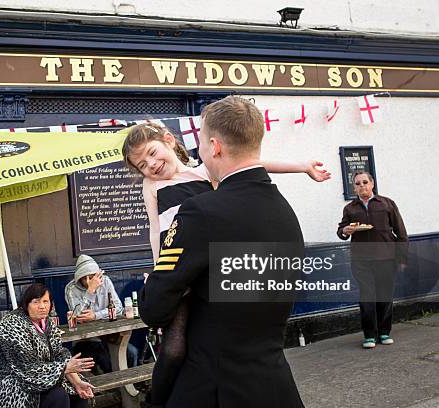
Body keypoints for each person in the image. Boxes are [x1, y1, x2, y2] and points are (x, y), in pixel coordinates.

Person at [122, 121, 329, 406]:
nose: (151, 165)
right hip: (177, 269)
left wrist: (303, 166)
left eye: (153, 153)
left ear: (169, 140)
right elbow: (154, 227)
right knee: (173, 348)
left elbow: (255, 164)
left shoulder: (203, 171)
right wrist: (160, 270)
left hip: (207, 267)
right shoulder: (153, 185)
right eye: (142, 164)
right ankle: (157, 398)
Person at [0, 282, 95, 408]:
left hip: (41, 376)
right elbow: (28, 370)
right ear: (26, 304)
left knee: (78, 393)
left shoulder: (47, 322)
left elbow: (59, 354)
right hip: (9, 385)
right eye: (36, 302)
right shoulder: (12, 325)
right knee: (58, 396)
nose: (42, 306)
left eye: (46, 301)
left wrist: (77, 382)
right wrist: (64, 368)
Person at [337, 171, 408, 349]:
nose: (362, 186)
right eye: (358, 184)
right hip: (361, 260)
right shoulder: (350, 208)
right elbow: (341, 231)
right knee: (367, 297)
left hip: (387, 257)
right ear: (354, 188)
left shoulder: (387, 204)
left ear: (372, 183)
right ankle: (369, 335)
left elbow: (401, 232)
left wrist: (402, 258)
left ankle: (384, 332)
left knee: (384, 295)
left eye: (365, 182)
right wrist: (345, 231)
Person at [64, 254, 139, 372]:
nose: (93, 280)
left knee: (132, 354)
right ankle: (109, 389)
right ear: (80, 277)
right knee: (105, 361)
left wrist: (95, 315)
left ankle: (128, 387)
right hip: (86, 338)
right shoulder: (71, 289)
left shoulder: (105, 282)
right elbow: (77, 316)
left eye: (94, 276)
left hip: (110, 335)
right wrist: (90, 291)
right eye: (87, 277)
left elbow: (118, 308)